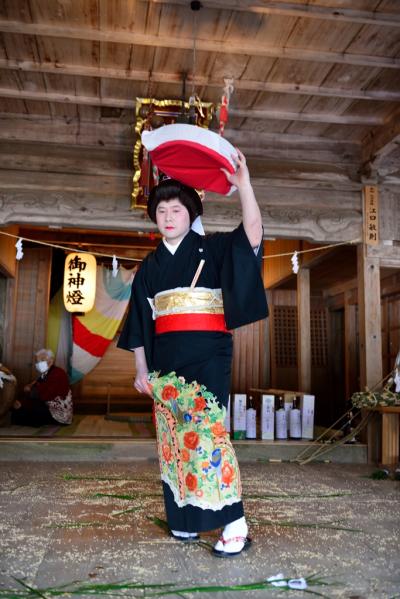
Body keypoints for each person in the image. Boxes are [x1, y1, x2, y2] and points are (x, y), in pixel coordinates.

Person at [118, 149, 268, 557]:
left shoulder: (214, 249)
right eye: (162, 210)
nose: (168, 217)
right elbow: (139, 324)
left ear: (191, 215)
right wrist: (141, 369)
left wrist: (245, 186)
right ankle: (184, 518)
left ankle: (234, 522)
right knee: (172, 440)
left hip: (208, 356)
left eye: (177, 210)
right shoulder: (149, 267)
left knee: (207, 436)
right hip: (165, 361)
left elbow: (252, 234)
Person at [11, 348, 73, 427]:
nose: (38, 363)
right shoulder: (46, 373)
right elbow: (34, 388)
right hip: (46, 404)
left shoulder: (58, 373)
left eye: (42, 360)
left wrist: (23, 402)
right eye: (37, 361)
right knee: (18, 411)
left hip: (58, 413)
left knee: (24, 412)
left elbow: (45, 395)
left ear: (51, 361)